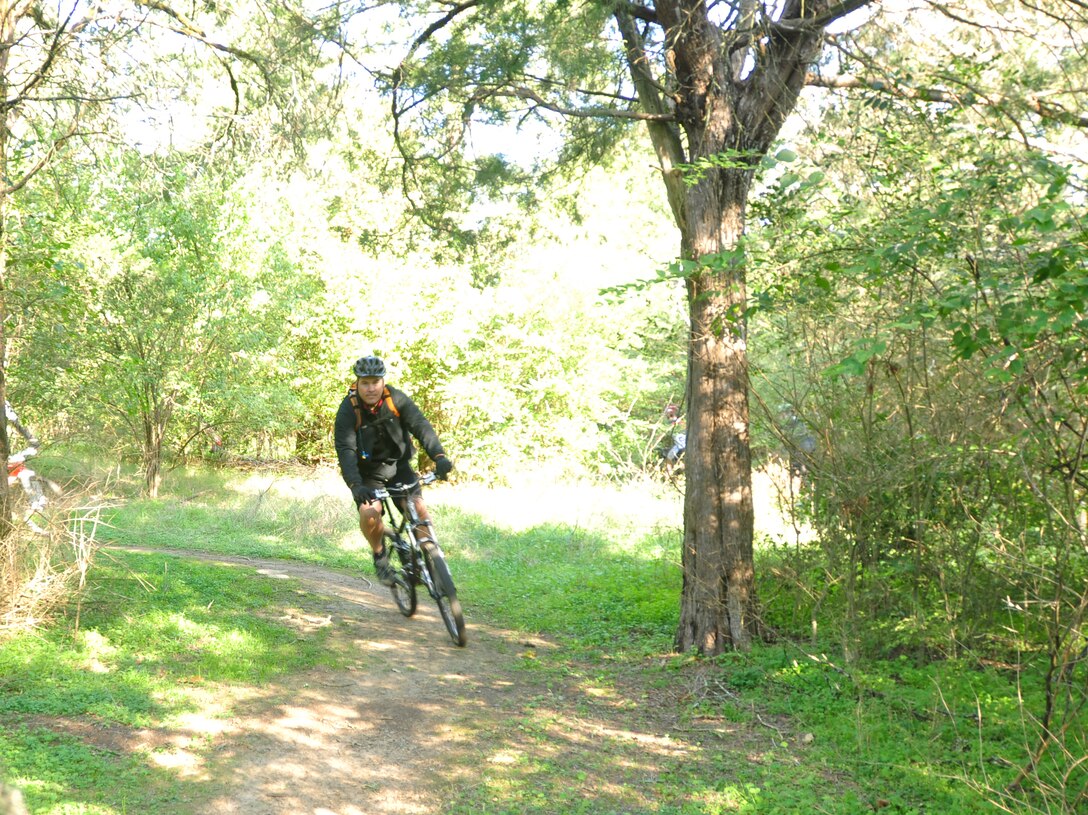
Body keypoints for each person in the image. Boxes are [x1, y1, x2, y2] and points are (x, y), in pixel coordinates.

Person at [334, 355, 453, 586]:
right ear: (357, 383)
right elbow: (345, 449)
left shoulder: (395, 399)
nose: (370, 388)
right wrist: (355, 484)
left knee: (419, 511)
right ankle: (380, 554)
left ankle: (431, 563)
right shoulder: (349, 409)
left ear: (383, 382)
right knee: (370, 513)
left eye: (375, 382)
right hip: (367, 475)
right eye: (365, 383)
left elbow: (420, 425)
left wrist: (439, 456)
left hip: (398, 467)